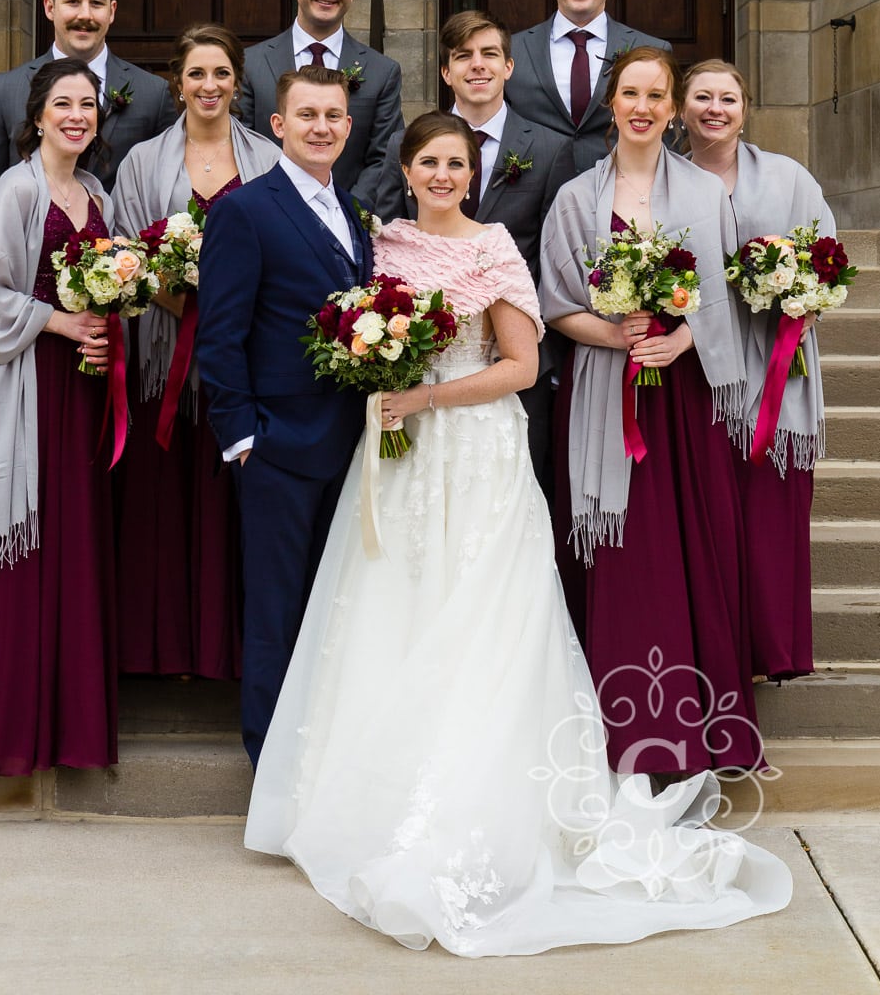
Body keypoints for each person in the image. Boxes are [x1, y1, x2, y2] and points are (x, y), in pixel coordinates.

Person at [244, 111, 790, 957]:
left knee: (480, 618)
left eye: (455, 163)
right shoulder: (376, 245)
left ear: (473, 172)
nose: (440, 175)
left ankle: (479, 794)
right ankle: (374, 788)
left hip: (475, 454)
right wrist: (380, 375)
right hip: (396, 459)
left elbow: (521, 368)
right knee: (391, 609)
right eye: (427, 161)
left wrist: (420, 397)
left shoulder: (493, 247)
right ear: (406, 168)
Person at [539, 48, 765, 777]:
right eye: (629, 93)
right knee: (624, 555)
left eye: (655, 96)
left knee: (694, 549)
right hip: (607, 392)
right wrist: (613, 333)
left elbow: (730, 292)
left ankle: (704, 737)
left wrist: (685, 339)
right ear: (613, 104)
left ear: (671, 111)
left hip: (687, 397)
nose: (642, 106)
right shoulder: (576, 197)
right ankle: (619, 734)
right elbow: (555, 304)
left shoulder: (705, 192)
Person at [0, 59, 118, 775]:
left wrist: (104, 332)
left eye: (88, 104)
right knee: (27, 548)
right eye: (63, 103)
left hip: (85, 395)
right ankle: (7, 733)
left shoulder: (95, 189)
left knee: (73, 547)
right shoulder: (16, 189)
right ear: (36, 116)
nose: (77, 114)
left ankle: (69, 728)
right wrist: (60, 324)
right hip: (30, 388)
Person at [195, 67, 374, 766]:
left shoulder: (352, 211)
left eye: (333, 115)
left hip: (349, 443)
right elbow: (220, 333)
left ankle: (327, 757)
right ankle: (270, 767)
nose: (321, 126)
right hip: (277, 446)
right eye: (307, 115)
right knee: (275, 612)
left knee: (335, 607)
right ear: (278, 125)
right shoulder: (245, 210)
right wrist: (242, 438)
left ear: (348, 128)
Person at [112, 25, 280, 678]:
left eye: (221, 74)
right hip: (164, 361)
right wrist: (174, 296)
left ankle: (227, 653)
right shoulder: (139, 163)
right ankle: (160, 652)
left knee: (233, 509)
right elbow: (125, 254)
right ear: (176, 82)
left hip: (244, 365)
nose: (208, 86)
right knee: (166, 504)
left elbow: (282, 251)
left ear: (237, 81)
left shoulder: (268, 160)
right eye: (196, 74)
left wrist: (229, 310)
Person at [373, 8, 575, 494]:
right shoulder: (408, 144)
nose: (477, 65)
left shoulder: (549, 148)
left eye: (489, 54)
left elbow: (555, 256)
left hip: (516, 358)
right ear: (446, 72)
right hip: (415, 361)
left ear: (509, 67)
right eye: (463, 56)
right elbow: (386, 237)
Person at [683, 59, 832, 680]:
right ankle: (717, 647)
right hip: (700, 367)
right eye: (702, 98)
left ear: (746, 109)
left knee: (771, 510)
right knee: (712, 512)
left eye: (728, 99)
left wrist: (798, 295)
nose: (715, 109)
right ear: (681, 108)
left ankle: (772, 647)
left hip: (778, 363)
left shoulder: (790, 178)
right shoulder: (664, 179)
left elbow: (826, 257)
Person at [0, 0, 177, 246]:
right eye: (73, 1)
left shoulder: (152, 92)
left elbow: (164, 190)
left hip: (124, 273)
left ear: (111, 11)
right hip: (28, 268)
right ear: (50, 7)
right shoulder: (5, 90)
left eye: (96, 3)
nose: (85, 15)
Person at [237, 0, 403, 204]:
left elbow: (383, 157)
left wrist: (345, 213)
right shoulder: (250, 65)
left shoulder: (382, 72)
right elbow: (240, 148)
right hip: (267, 217)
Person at [505, 0, 669, 174]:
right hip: (532, 197)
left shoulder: (652, 49)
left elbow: (665, 134)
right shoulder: (512, 50)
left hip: (623, 191)